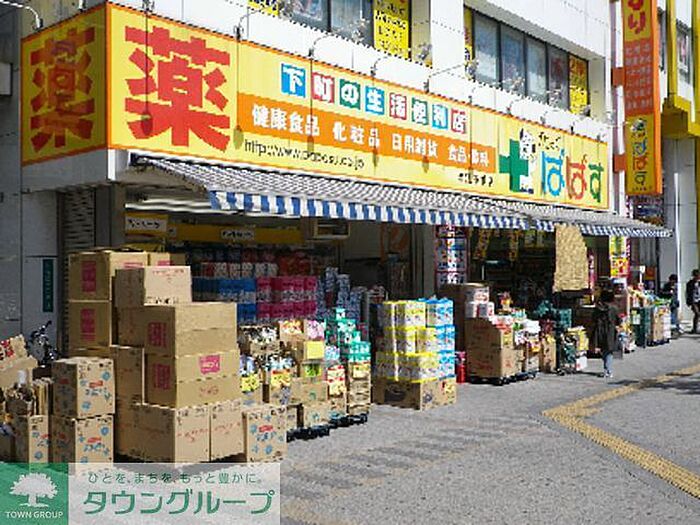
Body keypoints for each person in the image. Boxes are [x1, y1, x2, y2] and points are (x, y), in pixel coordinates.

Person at [593, 290, 620, 378]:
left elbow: (593, 318)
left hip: (600, 330)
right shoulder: (614, 308)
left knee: (604, 350)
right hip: (610, 331)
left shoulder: (598, 308)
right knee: (609, 351)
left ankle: (606, 369)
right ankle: (608, 371)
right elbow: (618, 320)